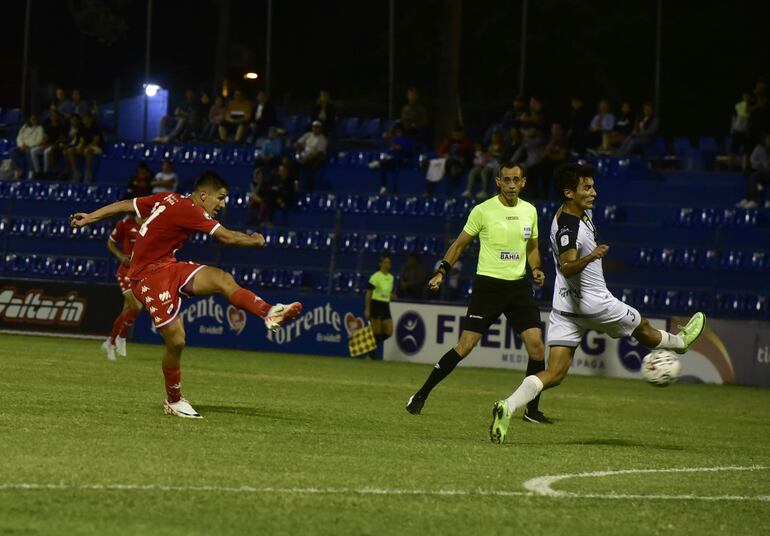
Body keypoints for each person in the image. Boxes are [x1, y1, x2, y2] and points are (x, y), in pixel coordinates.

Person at [488, 163, 707, 444]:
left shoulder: (574, 213)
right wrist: (592, 257)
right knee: (642, 326)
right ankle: (681, 343)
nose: (594, 192)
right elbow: (567, 267)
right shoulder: (569, 227)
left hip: (565, 307)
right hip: (594, 303)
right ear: (569, 192)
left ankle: (508, 405)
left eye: (593, 186)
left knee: (554, 374)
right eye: (587, 188)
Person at [69, 171, 303, 418]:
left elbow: (127, 204)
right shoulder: (190, 210)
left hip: (169, 266)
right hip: (147, 277)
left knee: (221, 279)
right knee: (177, 341)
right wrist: (255, 240)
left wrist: (89, 218)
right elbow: (227, 237)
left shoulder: (169, 198)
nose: (223, 205)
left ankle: (269, 312)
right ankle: (174, 400)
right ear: (203, 195)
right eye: (220, 198)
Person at [406, 162, 551, 423]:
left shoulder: (530, 211)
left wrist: (536, 268)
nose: (511, 185)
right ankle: (420, 394)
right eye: (506, 180)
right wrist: (442, 271)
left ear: (523, 182)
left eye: (515, 180)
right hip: (488, 287)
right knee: (465, 346)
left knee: (537, 347)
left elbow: (532, 247)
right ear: (498, 182)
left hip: (518, 287)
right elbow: (460, 244)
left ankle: (531, 410)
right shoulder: (482, 211)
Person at [103, 214, 144, 360]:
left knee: (126, 310)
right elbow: (110, 243)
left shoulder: (153, 225)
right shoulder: (126, 223)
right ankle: (122, 337)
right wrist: (121, 256)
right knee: (137, 306)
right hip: (126, 271)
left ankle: (110, 342)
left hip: (140, 273)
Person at [364, 256, 396, 360]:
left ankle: (370, 348)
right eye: (385, 263)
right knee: (377, 331)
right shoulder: (375, 277)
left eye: (389, 263)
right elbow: (369, 293)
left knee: (389, 331)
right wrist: (367, 309)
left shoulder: (391, 277)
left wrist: (391, 295)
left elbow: (387, 292)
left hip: (385, 305)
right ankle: (372, 355)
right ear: (380, 264)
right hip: (376, 304)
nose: (387, 265)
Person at [736, 133, 770, 209]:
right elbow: (753, 160)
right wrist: (760, 166)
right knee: (752, 175)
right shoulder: (760, 148)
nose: (769, 141)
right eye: (768, 139)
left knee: (755, 175)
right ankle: (751, 200)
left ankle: (763, 199)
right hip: (764, 172)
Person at [66, 113, 102, 182]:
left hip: (96, 147)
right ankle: (76, 172)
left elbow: (96, 141)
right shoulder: (82, 129)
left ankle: (88, 173)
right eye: (85, 119)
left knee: (87, 150)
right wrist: (80, 147)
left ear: (91, 120)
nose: (86, 121)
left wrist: (85, 147)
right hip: (85, 147)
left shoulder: (96, 128)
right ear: (82, 121)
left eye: (88, 119)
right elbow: (81, 141)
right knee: (70, 150)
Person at [294, 120, 328, 190]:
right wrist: (298, 153)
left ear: (320, 128)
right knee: (293, 164)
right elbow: (297, 143)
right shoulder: (308, 135)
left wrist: (306, 158)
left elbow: (318, 152)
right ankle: (295, 183)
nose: (315, 129)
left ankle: (310, 187)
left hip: (315, 158)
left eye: (317, 127)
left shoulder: (323, 139)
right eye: (314, 127)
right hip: (304, 155)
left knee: (312, 166)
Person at [9, 114, 44, 180]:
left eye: (35, 119)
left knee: (29, 151)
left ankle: (31, 171)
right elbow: (19, 137)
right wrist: (21, 145)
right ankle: (17, 170)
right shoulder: (24, 127)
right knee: (13, 151)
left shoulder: (40, 128)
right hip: (22, 146)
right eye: (32, 119)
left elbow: (39, 140)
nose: (33, 120)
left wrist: (28, 145)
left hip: (31, 147)